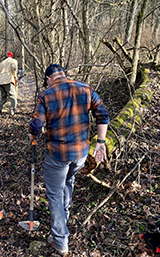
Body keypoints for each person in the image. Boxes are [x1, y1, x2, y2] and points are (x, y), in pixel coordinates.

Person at [28, 64, 110, 255]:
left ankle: (60, 240)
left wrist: (32, 135)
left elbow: (37, 124)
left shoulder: (46, 94)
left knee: (55, 195)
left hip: (58, 154)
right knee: (68, 182)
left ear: (49, 78)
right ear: (63, 74)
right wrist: (101, 142)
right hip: (80, 153)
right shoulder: (85, 88)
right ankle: (61, 225)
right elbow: (102, 114)